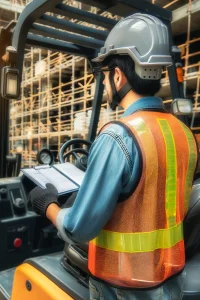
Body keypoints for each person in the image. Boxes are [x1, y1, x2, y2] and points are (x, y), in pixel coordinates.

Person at [29, 13, 198, 300]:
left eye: (105, 75)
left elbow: (78, 228)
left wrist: (48, 206)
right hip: (167, 282)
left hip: (120, 288)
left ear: (118, 76)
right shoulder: (184, 134)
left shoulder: (117, 138)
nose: (105, 84)